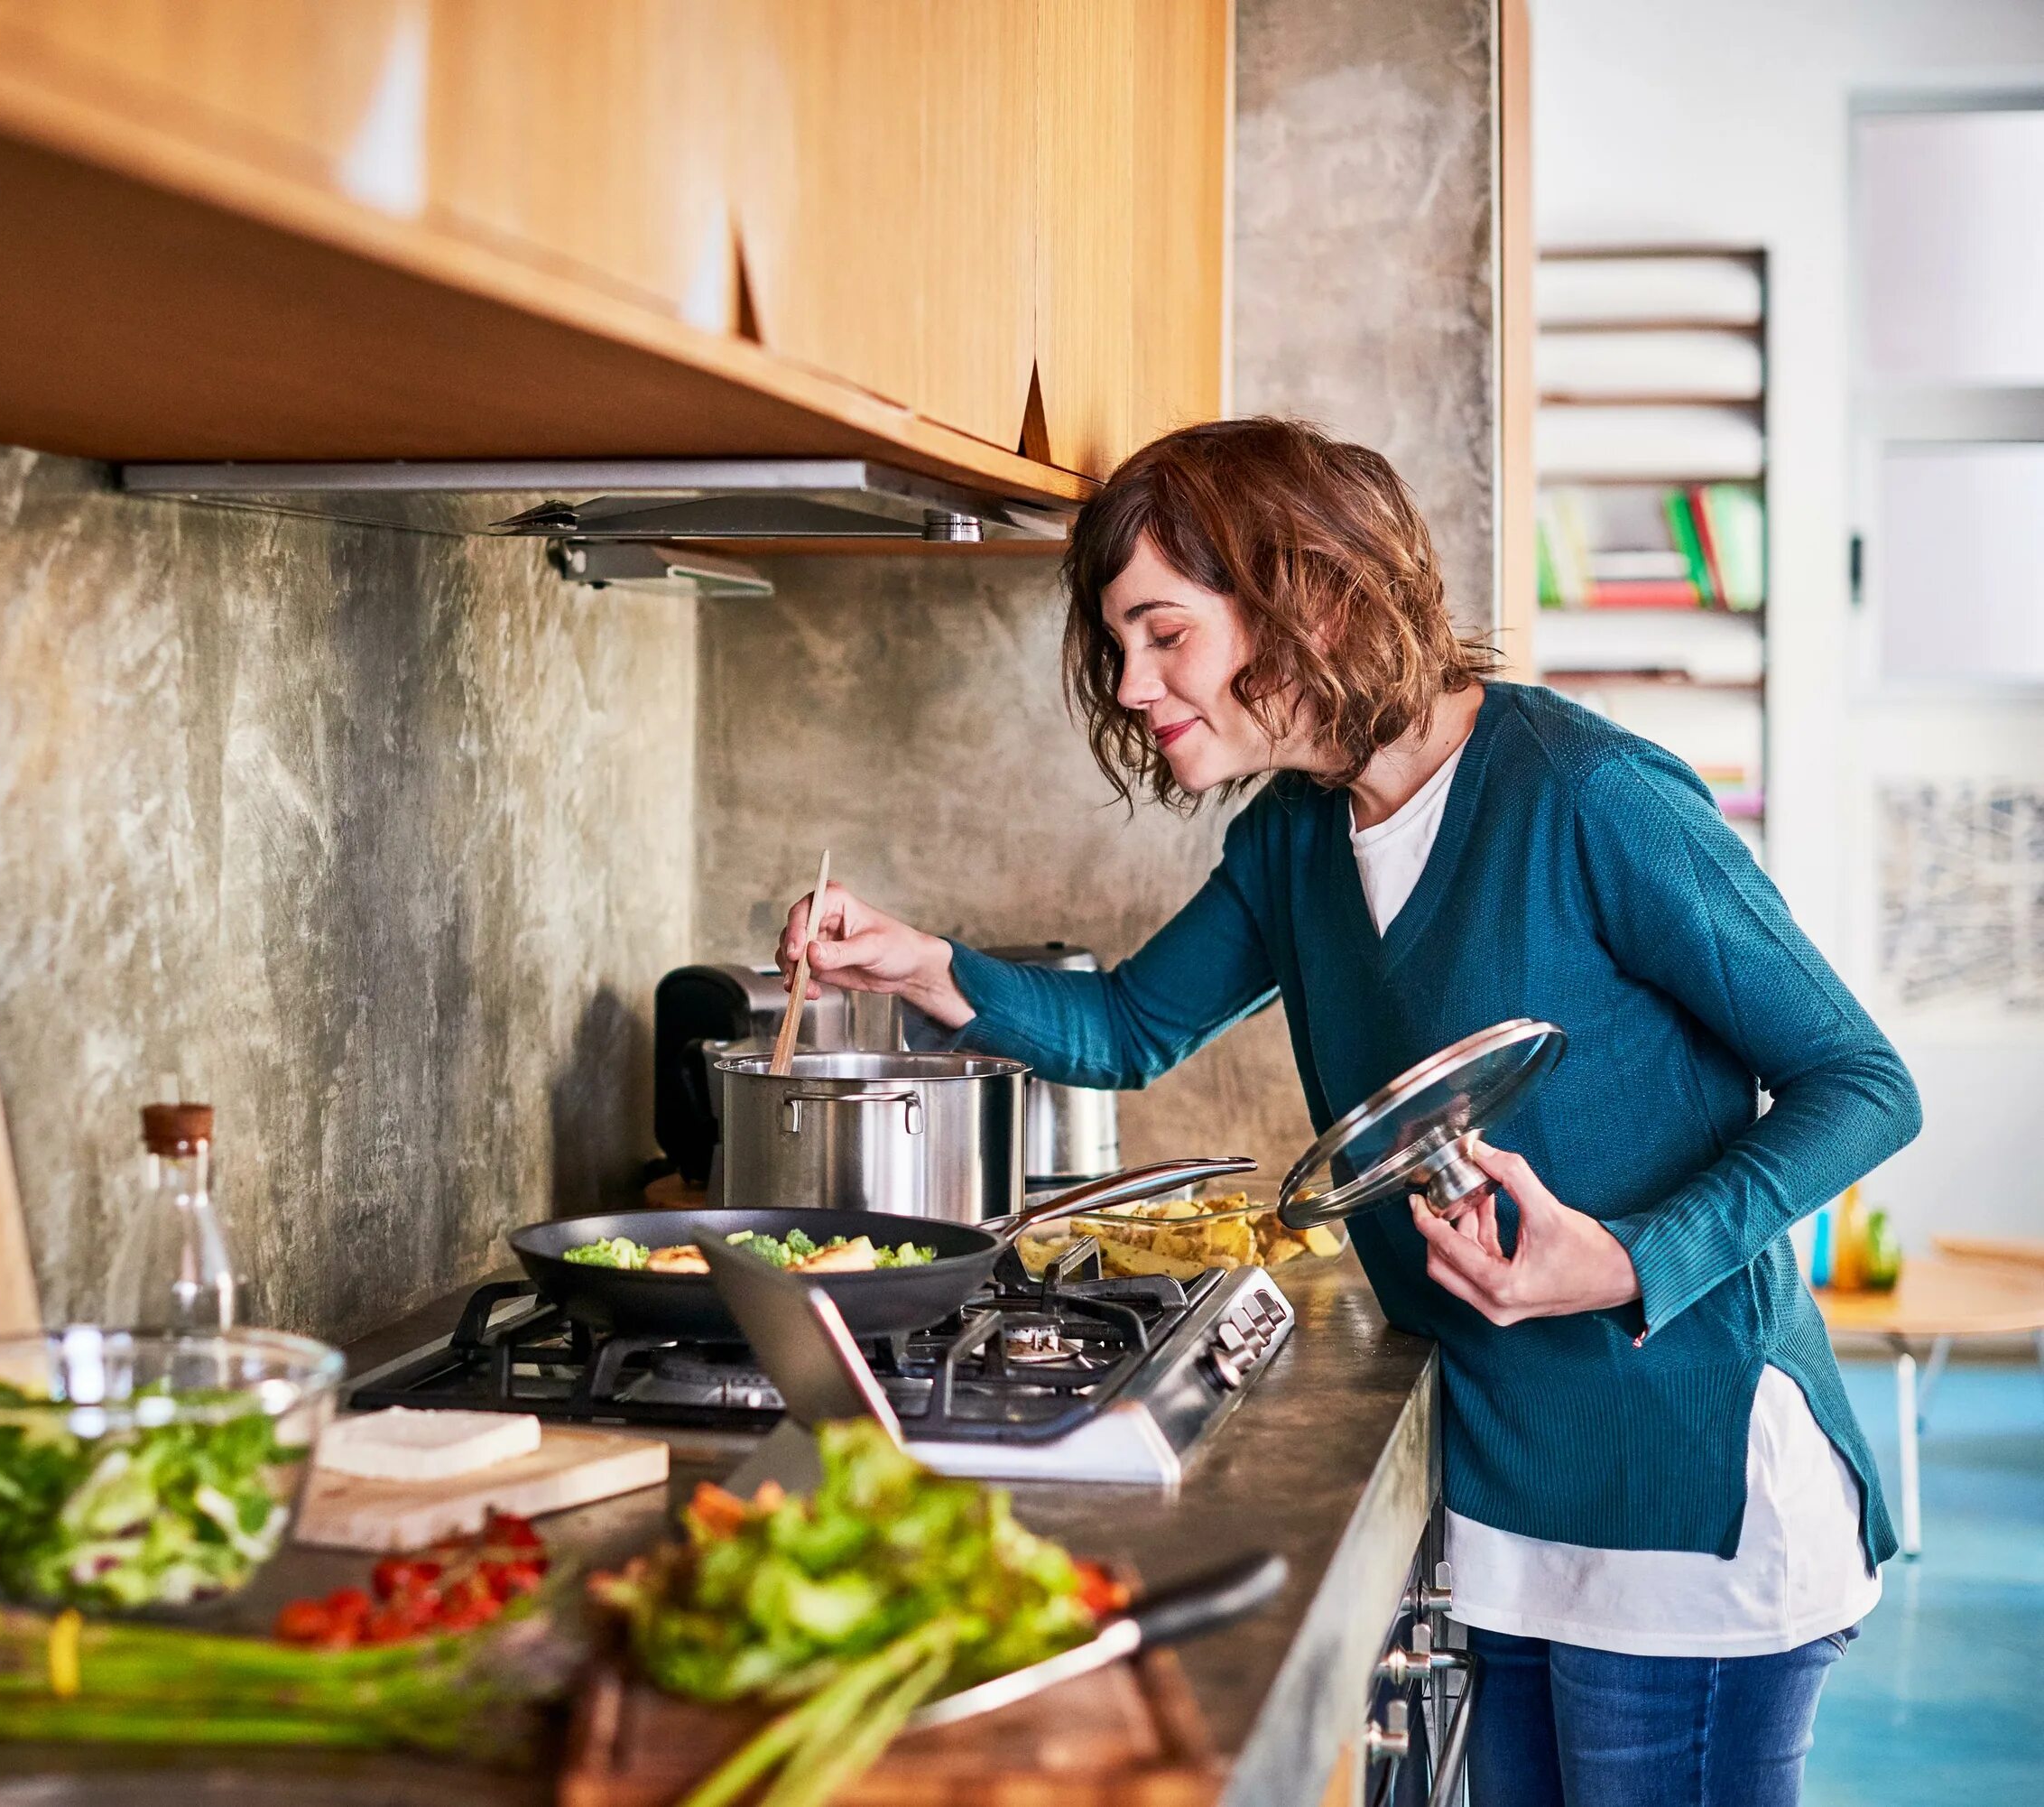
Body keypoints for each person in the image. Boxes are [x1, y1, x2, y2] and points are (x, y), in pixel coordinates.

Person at [779, 419, 1916, 1807]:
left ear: (1306, 592)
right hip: (1509, 1474)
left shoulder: (1590, 795)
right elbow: (1133, 1027)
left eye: (1163, 633)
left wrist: (1623, 1258)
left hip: (1686, 1476)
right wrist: (919, 963)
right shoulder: (1297, 837)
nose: (1133, 683)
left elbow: (1863, 1082)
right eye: (1119, 644)